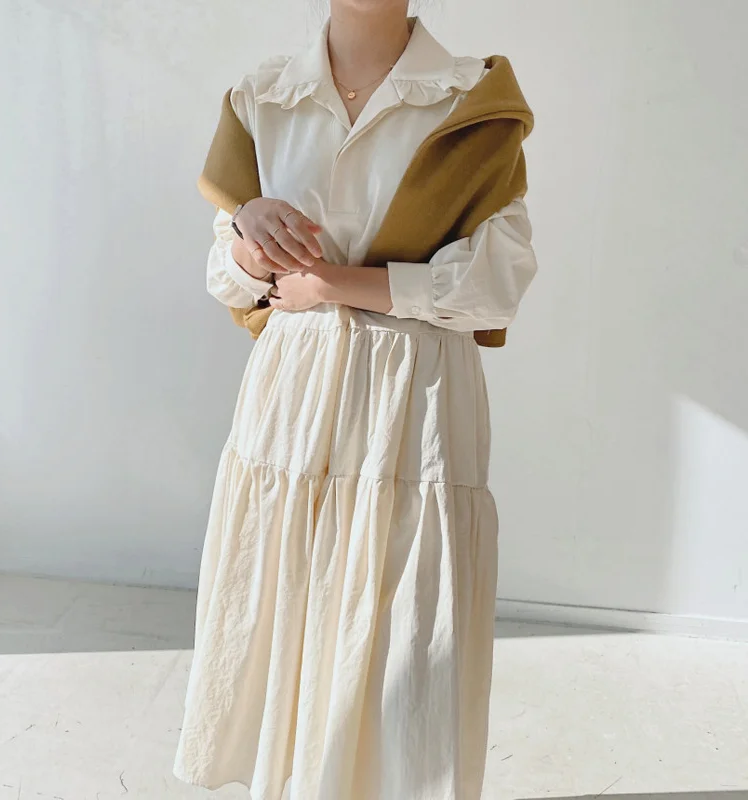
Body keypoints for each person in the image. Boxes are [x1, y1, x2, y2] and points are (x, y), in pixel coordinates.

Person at [174, 2, 538, 798]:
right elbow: (228, 279)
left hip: (414, 398)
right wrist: (248, 238)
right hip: (294, 393)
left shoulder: (469, 101)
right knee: (284, 599)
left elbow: (494, 286)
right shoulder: (263, 97)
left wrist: (333, 282)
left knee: (404, 627)